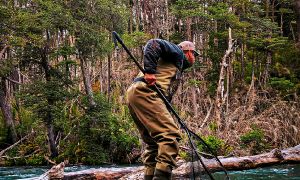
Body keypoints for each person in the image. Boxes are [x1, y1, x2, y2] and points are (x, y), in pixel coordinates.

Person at [126, 39, 199, 180]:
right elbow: (153, 44)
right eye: (195, 55)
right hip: (146, 92)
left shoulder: (173, 64)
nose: (194, 59)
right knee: (170, 136)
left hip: (135, 94)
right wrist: (150, 71)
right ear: (189, 52)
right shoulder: (178, 52)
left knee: (153, 143)